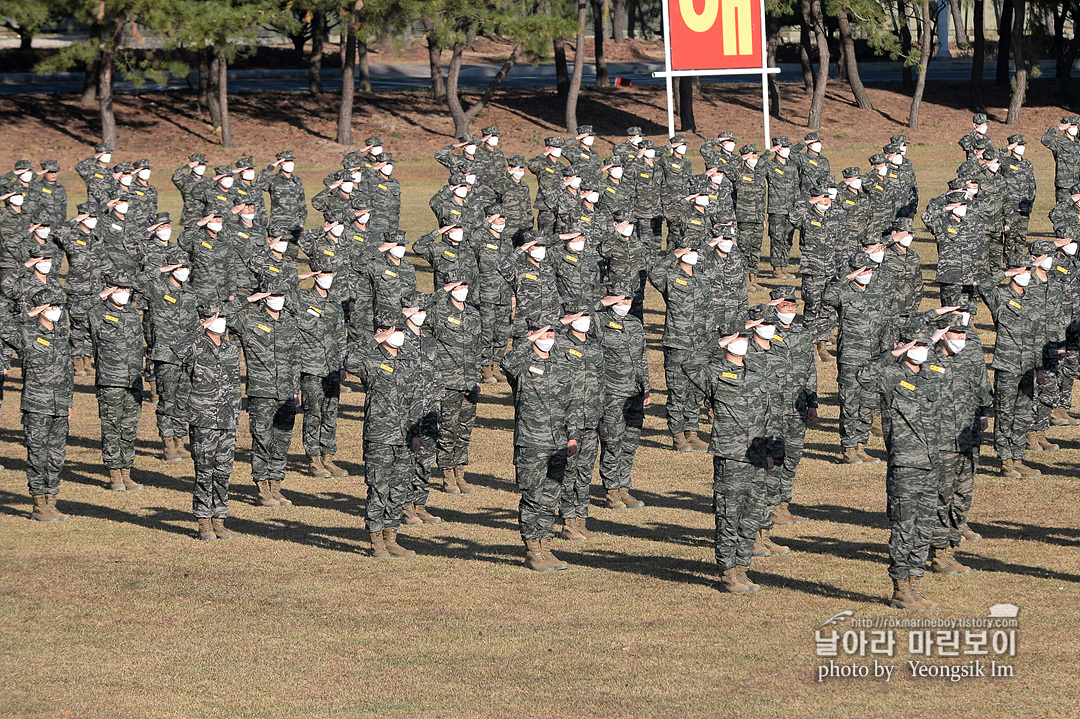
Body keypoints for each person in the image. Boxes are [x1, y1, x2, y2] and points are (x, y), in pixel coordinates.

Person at [683, 319, 785, 594]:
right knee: (729, 516)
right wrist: (716, 345)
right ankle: (728, 572)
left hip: (757, 456)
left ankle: (742, 568)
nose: (741, 341)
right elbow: (689, 365)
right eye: (735, 337)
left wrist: (774, 452)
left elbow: (771, 413)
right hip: (730, 456)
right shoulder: (715, 373)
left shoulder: (756, 372)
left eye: (743, 336)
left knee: (752, 516)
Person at [857, 320, 947, 611]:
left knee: (924, 529)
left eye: (923, 345)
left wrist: (932, 343)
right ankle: (900, 588)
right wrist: (893, 353)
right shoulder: (890, 376)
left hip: (931, 464)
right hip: (905, 465)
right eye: (914, 345)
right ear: (904, 346)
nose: (920, 350)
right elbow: (862, 375)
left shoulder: (931, 376)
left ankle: (916, 584)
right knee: (904, 529)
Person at [500, 318, 576, 572]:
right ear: (532, 335)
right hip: (531, 442)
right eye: (544, 333)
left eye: (552, 332)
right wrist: (529, 340)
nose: (549, 337)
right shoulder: (522, 365)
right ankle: (532, 549)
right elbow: (506, 362)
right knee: (532, 497)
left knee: (551, 498)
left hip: (557, 444)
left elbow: (571, 403)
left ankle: (546, 545)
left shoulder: (560, 365)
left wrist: (573, 436)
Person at [345, 313, 423, 559]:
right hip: (379, 436)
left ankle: (392, 537)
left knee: (398, 489)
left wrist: (416, 433)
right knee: (378, 488)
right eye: (393, 329)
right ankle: (375, 539)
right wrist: (374, 340)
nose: (398, 333)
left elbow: (415, 401)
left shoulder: (408, 362)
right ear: (382, 331)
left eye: (400, 329)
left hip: (404, 437)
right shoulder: (371, 361)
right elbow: (349, 361)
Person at [226, 275, 301, 507]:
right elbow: (221, 313)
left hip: (287, 391)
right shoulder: (249, 320)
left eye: (281, 295)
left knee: (282, 440)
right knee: (262, 439)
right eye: (273, 295)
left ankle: (275, 484)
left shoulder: (289, 321)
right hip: (262, 391)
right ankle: (261, 487)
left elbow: (295, 357)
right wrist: (248, 299)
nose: (278, 299)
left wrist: (296, 388)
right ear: (264, 297)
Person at [0, 288, 73, 521]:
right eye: (52, 306)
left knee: (56, 456)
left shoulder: (61, 335)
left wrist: (69, 402)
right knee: (38, 455)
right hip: (36, 405)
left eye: (59, 306)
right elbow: (4, 328)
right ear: (42, 309)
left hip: (60, 406)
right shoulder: (27, 335)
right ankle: (38, 504)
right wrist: (28, 314)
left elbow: (68, 372)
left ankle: (52, 501)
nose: (57, 311)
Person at [927, 312, 992, 574]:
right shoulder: (926, 359)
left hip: (967, 441)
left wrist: (985, 413)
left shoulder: (972, 358)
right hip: (940, 443)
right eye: (956, 334)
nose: (961, 339)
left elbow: (982, 388)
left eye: (964, 334)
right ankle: (938, 553)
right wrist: (932, 334)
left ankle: (951, 547)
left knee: (962, 497)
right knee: (940, 498)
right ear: (942, 334)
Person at [172, 306, 242, 541]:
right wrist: (199, 327)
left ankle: (219, 520)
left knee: (223, 472)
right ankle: (203, 522)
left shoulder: (231, 348)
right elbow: (177, 350)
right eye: (216, 317)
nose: (221, 321)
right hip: (203, 419)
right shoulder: (196, 345)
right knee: (204, 471)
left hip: (227, 419)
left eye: (223, 317)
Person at [823, 252, 893, 464]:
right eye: (863, 270)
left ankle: (862, 446)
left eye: (870, 270)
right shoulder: (844, 292)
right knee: (850, 403)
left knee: (868, 404)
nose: (867, 274)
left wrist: (886, 355)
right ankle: (849, 448)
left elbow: (885, 325)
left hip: (873, 359)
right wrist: (848, 278)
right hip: (851, 358)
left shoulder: (877, 293)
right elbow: (827, 298)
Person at [978, 254, 1044, 477]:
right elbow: (983, 286)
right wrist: (1005, 274)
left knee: (1023, 414)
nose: (1027, 274)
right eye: (1023, 270)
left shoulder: (1031, 299)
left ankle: (1019, 457)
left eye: (1028, 270)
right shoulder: (1000, 296)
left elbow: (1037, 337)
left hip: (1027, 367)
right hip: (1007, 364)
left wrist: (1040, 368)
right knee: (1005, 414)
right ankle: (1005, 460)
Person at [648, 246, 711, 452]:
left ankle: (691, 432)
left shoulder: (702, 279)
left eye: (696, 250)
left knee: (696, 390)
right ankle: (677, 434)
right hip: (677, 342)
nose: (694, 254)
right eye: (690, 250)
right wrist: (673, 255)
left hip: (699, 343)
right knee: (678, 390)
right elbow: (654, 272)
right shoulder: (671, 277)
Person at [88, 271, 145, 491]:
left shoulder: (132, 314)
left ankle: (126, 472)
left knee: (129, 428)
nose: (125, 293)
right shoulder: (98, 313)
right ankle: (114, 474)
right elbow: (78, 311)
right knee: (111, 427)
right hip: (110, 380)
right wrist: (101, 295)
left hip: (133, 381)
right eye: (120, 289)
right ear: (111, 290)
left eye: (127, 289)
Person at [767, 286, 817, 527]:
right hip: (773, 406)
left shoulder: (802, 334)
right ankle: (770, 504)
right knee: (774, 455)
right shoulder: (765, 330)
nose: (790, 310)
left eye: (793, 306)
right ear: (774, 307)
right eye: (785, 306)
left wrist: (812, 402)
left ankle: (783, 504)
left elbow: (810, 369)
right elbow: (739, 322)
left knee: (792, 456)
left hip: (797, 407)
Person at [556, 299, 605, 540]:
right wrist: (561, 323)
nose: (585, 319)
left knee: (585, 473)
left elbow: (601, 385)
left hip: (591, 420)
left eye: (587, 315)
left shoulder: (595, 347)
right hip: (569, 420)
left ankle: (581, 519)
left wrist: (602, 418)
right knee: (569, 472)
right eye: (579, 315)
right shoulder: (559, 344)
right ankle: (567, 521)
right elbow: (537, 335)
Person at [143, 246, 199, 462]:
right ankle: (167, 443)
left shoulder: (189, 291)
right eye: (180, 267)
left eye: (186, 267)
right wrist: (161, 269)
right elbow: (137, 281)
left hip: (187, 355)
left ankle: (179, 439)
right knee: (168, 399)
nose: (184, 270)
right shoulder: (157, 288)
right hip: (166, 354)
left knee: (183, 399)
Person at [296, 253, 348, 478]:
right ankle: (313, 458)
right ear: (315, 275)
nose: (328, 277)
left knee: (331, 412)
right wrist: (302, 276)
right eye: (323, 273)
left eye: (330, 273)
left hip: (332, 367)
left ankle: (328, 455)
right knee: (313, 412)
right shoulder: (301, 299)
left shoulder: (335, 301)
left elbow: (340, 335)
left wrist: (343, 363)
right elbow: (279, 291)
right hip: (310, 366)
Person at [430, 273, 482, 494]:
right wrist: (442, 291)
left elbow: (478, 348)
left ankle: (460, 471)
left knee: (465, 429)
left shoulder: (473, 314)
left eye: (465, 285)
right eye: (458, 286)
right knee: (448, 429)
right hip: (448, 380)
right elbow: (419, 305)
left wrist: (477, 377)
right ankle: (447, 474)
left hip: (469, 382)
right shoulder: (438, 311)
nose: (463, 289)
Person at [399, 291, 443, 525]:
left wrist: (437, 404)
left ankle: (420, 502)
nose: (422, 315)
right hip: (407, 410)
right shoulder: (398, 338)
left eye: (424, 310)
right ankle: (405, 505)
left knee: (426, 458)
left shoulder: (428, 340)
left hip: (429, 410)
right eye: (418, 310)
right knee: (408, 459)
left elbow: (436, 374)